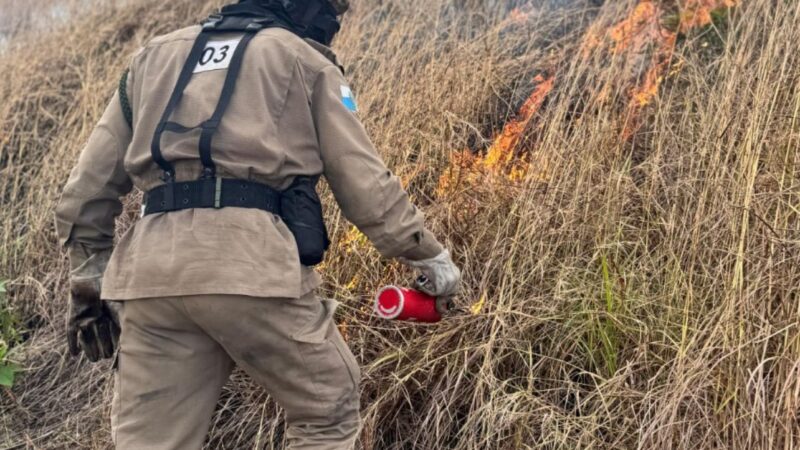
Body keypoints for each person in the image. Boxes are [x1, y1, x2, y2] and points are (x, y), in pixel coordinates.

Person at [54, 0, 461, 448]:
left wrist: (89, 278)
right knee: (327, 408)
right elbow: (364, 183)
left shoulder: (154, 56)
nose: (334, 19)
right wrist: (428, 255)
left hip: (149, 277)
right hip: (248, 264)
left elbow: (85, 191)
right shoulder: (302, 60)